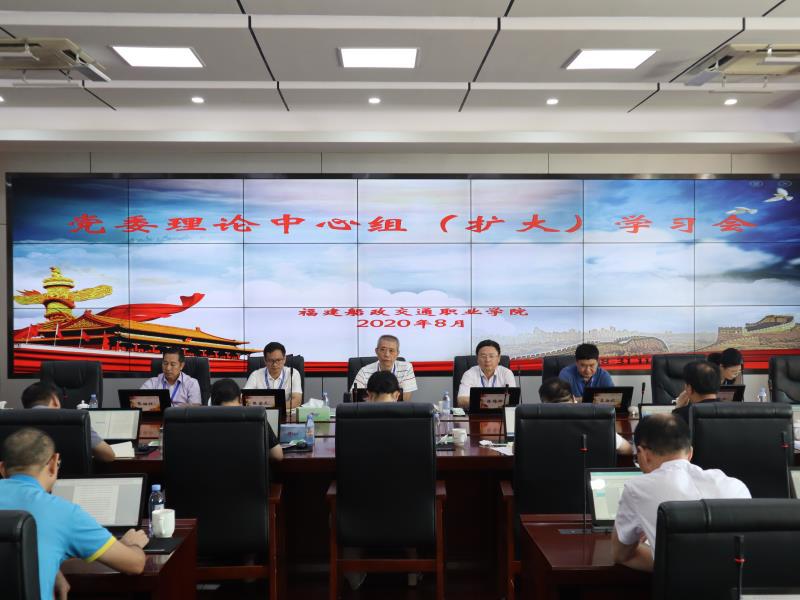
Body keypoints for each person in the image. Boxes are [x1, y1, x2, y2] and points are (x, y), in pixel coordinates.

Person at [0, 428, 148, 600]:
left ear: (2, 469)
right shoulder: (63, 512)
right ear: (54, 463)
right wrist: (133, 545)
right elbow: (135, 565)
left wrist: (53, 570)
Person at [612, 414, 750, 571]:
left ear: (643, 454)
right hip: (739, 585)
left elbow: (621, 555)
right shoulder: (736, 486)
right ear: (690, 453)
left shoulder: (636, 489)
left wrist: (664, 555)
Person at [21, 381, 115, 463]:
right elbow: (108, 455)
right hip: (75, 477)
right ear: (54, 400)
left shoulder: (15, 420)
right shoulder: (76, 419)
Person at [538, 377, 633, 455]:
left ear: (543, 405)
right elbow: (628, 449)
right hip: (592, 472)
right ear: (574, 399)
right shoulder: (597, 423)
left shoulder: (532, 426)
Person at [209, 378, 283, 461]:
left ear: (212, 402)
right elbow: (277, 455)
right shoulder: (256, 417)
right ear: (241, 398)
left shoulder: (204, 423)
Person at [353, 335, 417, 401]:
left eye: (391, 351)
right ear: (376, 351)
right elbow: (355, 397)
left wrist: (377, 397)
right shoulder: (364, 371)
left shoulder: (406, 368)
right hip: (372, 408)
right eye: (382, 349)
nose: (387, 354)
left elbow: (405, 399)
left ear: (397, 353)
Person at [456, 339, 516, 409]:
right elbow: (461, 400)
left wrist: (481, 401)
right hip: (476, 413)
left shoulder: (506, 373)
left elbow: (512, 399)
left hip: (501, 414)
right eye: (483, 356)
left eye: (491, 356)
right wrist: (494, 401)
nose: (487, 360)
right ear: (477, 358)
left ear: (499, 358)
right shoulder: (469, 374)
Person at [243, 342, 303, 409]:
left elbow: (297, 401)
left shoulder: (293, 373)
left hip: (285, 413)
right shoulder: (256, 375)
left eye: (278, 360)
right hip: (262, 413)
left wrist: (274, 407)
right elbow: (245, 399)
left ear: (284, 359)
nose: (274, 364)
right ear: (265, 360)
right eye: (270, 360)